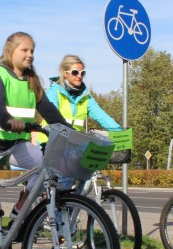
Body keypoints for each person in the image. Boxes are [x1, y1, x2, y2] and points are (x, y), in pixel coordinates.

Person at [0, 32, 69, 249]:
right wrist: (7, 121)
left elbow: (47, 109)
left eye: (32, 51)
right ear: (10, 51)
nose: (30, 55)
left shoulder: (31, 79)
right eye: (25, 50)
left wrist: (71, 131)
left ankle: (18, 211)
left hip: (17, 141)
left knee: (46, 169)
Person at [41, 54, 121, 193]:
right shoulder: (54, 92)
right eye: (75, 72)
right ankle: (60, 209)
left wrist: (120, 131)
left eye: (82, 73)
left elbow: (101, 115)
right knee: (66, 177)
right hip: (51, 142)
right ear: (65, 74)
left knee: (87, 171)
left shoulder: (85, 97)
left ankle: (73, 205)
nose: (79, 76)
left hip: (72, 143)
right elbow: (52, 117)